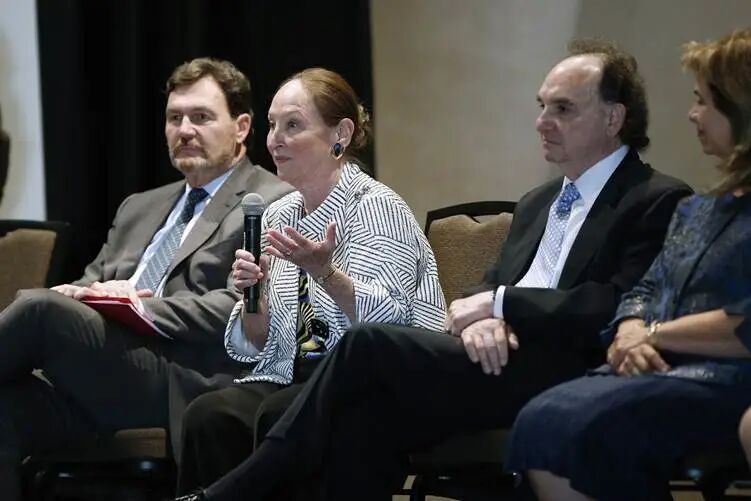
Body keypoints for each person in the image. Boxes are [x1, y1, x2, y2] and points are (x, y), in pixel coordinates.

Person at [172, 40, 692, 501]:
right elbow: (489, 284)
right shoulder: (539, 202)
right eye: (541, 107)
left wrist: (499, 307)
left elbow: (620, 301)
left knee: (361, 353)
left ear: (613, 118)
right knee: (316, 414)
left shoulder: (655, 198)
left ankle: (231, 492)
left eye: (563, 108)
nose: (541, 122)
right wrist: (483, 314)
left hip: (565, 365)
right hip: (487, 357)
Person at [0, 57, 292, 500]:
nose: (184, 130)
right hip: (100, 369)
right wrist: (83, 292)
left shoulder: (270, 201)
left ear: (242, 127)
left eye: (201, 117)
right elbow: (91, 280)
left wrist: (137, 306)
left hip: (179, 375)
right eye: (174, 118)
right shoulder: (139, 206)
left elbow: (239, 305)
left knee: (39, 309)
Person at [505, 28, 751, 501]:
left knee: (574, 423)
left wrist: (651, 334)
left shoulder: (667, 197)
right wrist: (630, 327)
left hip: (725, 375)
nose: (692, 114)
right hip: (661, 365)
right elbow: (645, 289)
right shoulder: (698, 209)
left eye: (702, 101)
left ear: (741, 110)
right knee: (542, 420)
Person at [174, 67, 446, 494]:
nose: (274, 140)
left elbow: (388, 324)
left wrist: (326, 273)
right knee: (211, 415)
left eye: (293, 125)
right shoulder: (278, 214)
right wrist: (254, 297)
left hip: (378, 385)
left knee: (281, 412)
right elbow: (259, 343)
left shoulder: (377, 207)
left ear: (340, 133)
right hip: (293, 376)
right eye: (272, 125)